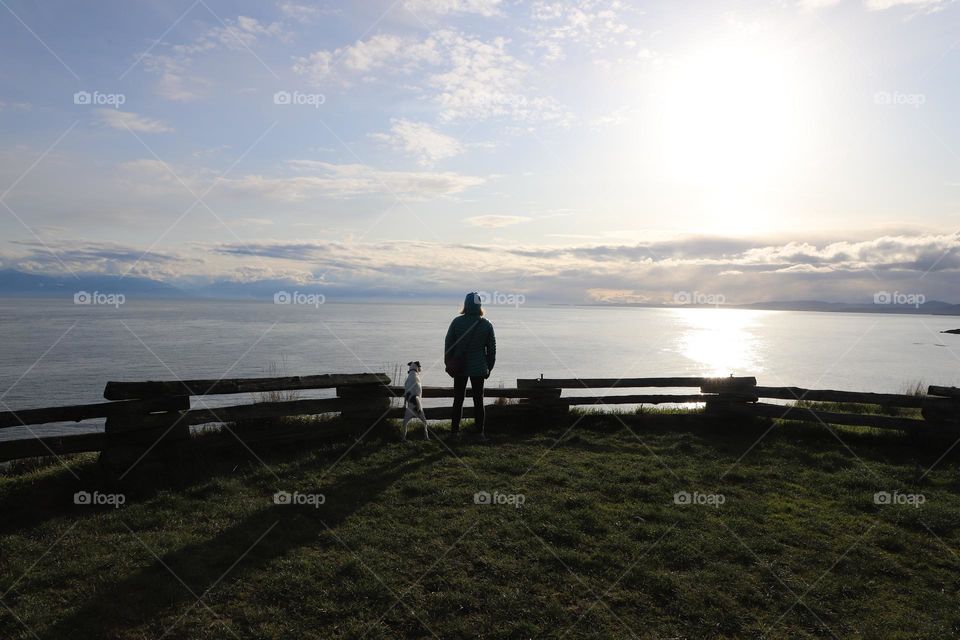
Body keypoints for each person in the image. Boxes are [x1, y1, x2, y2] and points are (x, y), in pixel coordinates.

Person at [444, 292, 496, 435]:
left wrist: (448, 363)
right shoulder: (486, 325)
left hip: (459, 367)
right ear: (479, 305)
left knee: (458, 400)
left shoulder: (457, 322)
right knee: (478, 400)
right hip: (479, 368)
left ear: (466, 305)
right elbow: (492, 350)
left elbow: (448, 344)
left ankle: (454, 432)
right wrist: (488, 368)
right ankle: (480, 433)